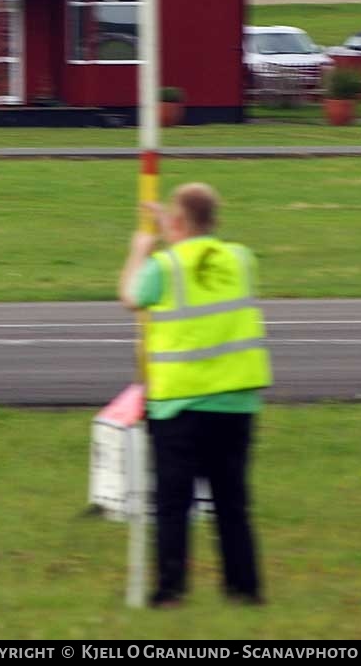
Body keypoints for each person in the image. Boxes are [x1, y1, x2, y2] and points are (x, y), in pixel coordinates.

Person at [118, 182, 269, 608]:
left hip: (180, 405)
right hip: (236, 402)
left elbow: (130, 297)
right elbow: (201, 260)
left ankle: (170, 591)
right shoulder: (241, 259)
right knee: (231, 503)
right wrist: (174, 227)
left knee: (173, 503)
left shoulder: (163, 266)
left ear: (178, 221)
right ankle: (244, 590)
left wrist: (141, 247)